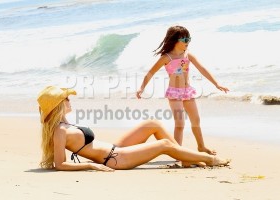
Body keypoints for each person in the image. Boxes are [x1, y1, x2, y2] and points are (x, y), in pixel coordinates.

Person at [37, 86, 230, 171]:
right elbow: (60, 164)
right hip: (115, 159)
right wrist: (90, 165)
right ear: (58, 105)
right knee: (163, 144)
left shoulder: (64, 124)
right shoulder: (60, 131)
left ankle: (185, 158)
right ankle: (211, 160)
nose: (70, 100)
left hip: (115, 149)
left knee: (152, 124)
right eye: (66, 98)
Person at [136, 25, 229, 155]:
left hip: (187, 91)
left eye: (189, 39)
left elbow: (202, 69)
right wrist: (141, 88)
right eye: (185, 39)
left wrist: (216, 83)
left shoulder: (188, 55)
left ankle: (201, 146)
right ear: (175, 40)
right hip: (174, 93)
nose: (188, 42)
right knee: (180, 124)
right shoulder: (166, 58)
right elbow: (150, 73)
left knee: (196, 121)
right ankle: (178, 151)